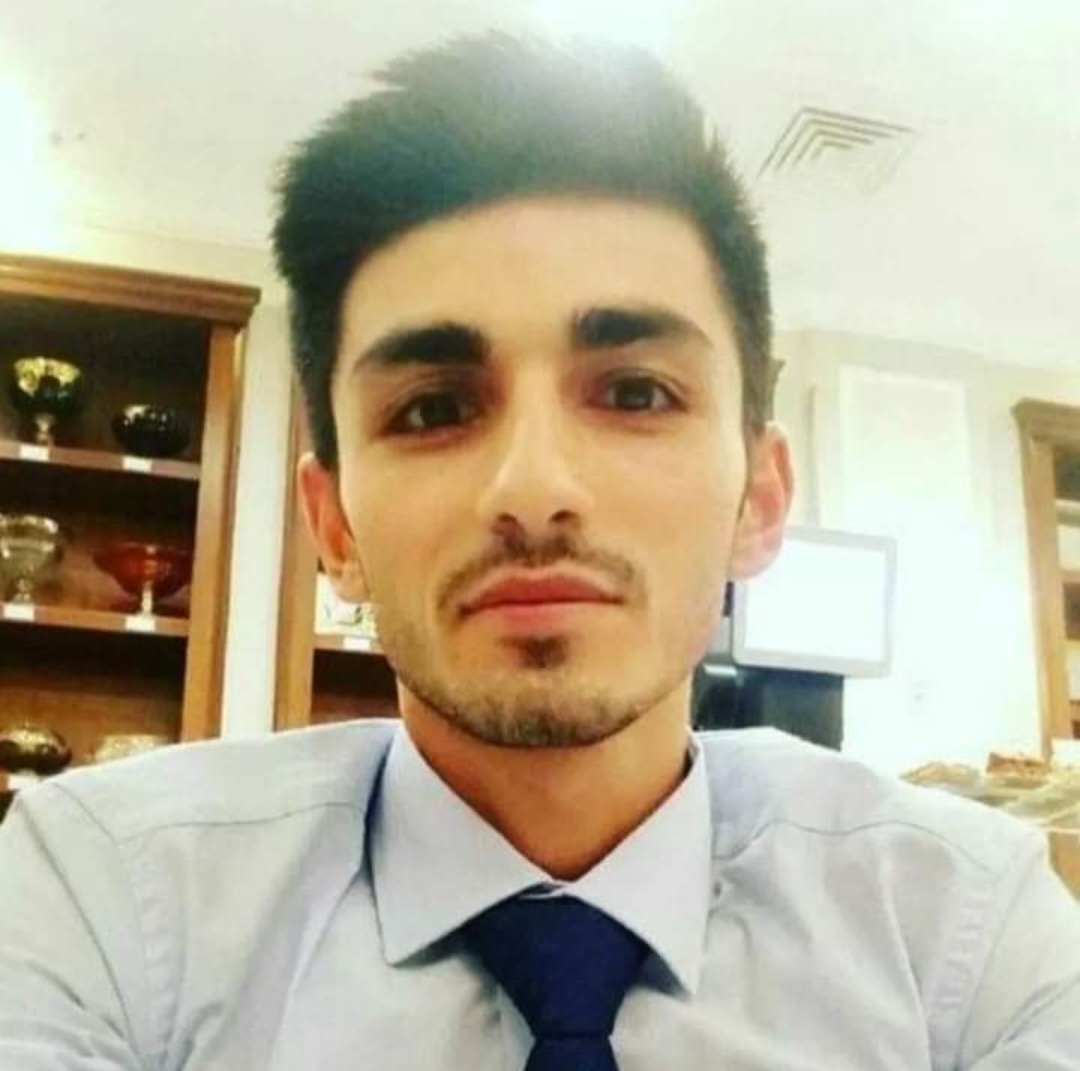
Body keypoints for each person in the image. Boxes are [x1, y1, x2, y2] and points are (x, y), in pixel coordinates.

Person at [1, 33, 1078, 1071]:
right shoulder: (110, 896)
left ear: (758, 497)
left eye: (636, 393)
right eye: (432, 410)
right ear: (334, 529)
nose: (532, 488)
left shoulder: (963, 929)